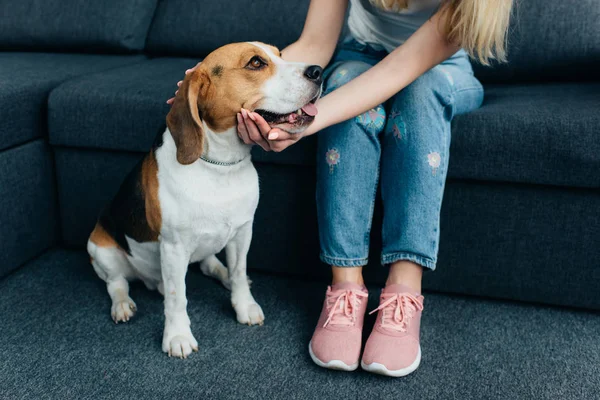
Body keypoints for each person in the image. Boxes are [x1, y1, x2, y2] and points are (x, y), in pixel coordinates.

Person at [170, 0, 513, 377]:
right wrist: (217, 86)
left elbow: (403, 69)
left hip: (440, 68)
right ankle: (345, 288)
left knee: (419, 93)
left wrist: (303, 124)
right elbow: (315, 43)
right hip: (357, 55)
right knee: (346, 84)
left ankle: (404, 289)